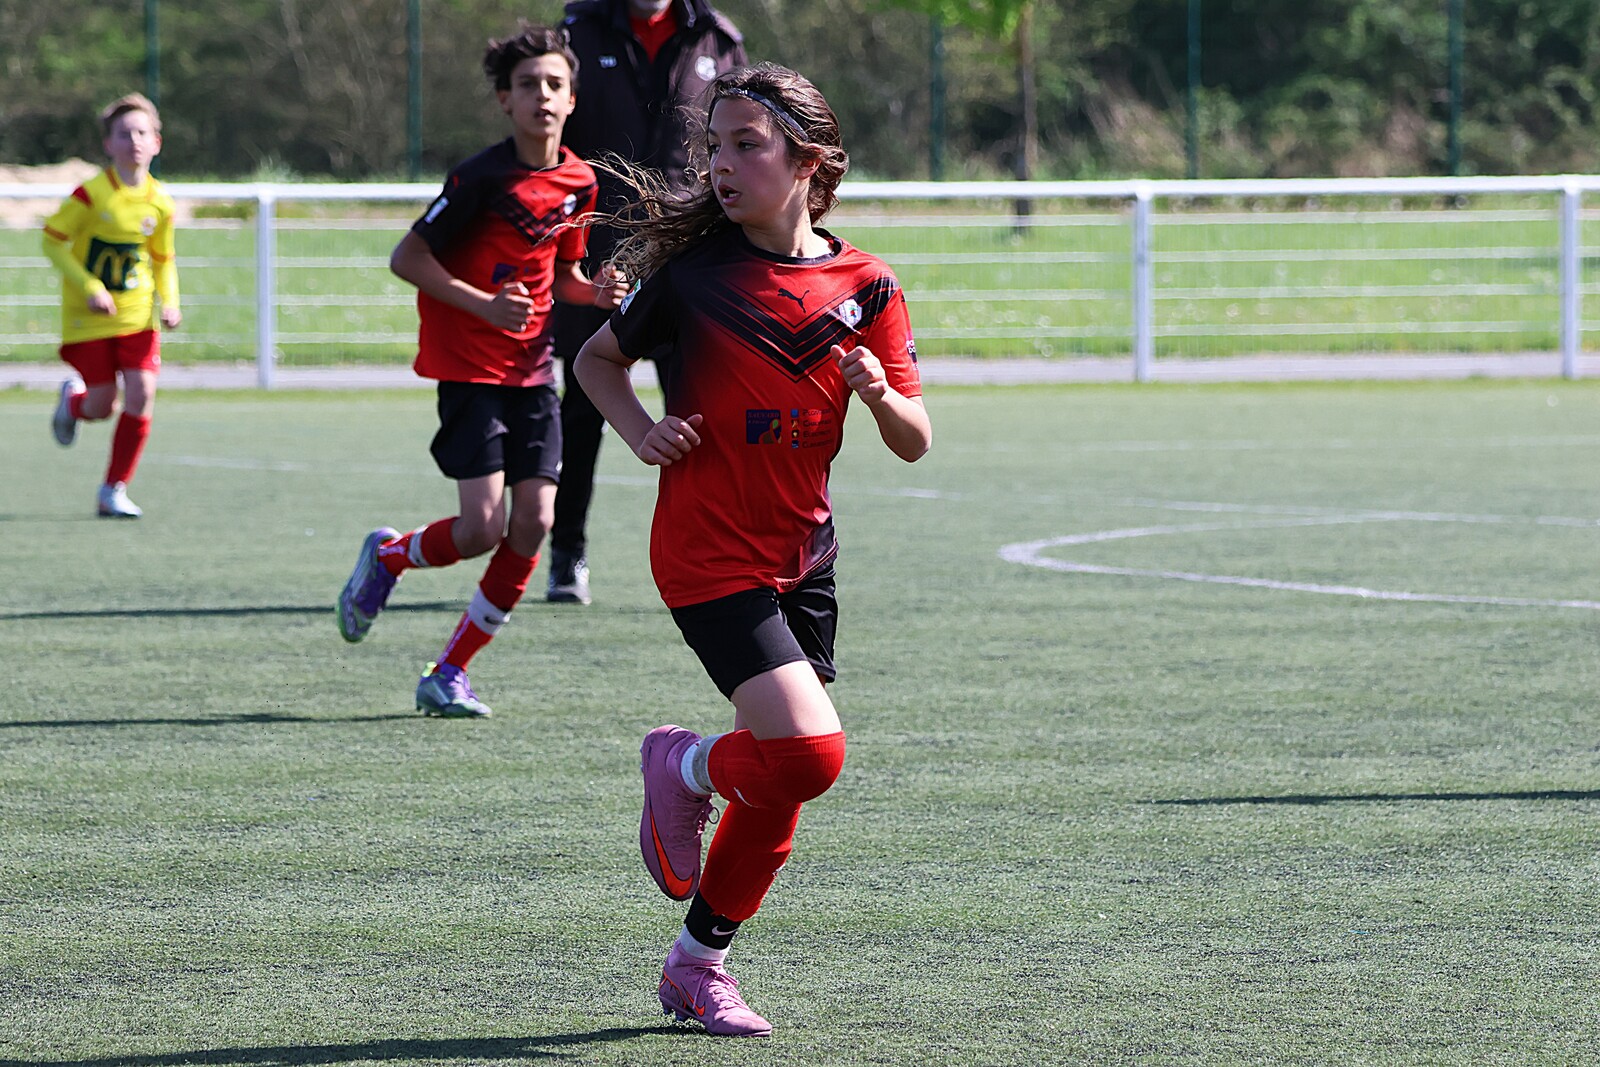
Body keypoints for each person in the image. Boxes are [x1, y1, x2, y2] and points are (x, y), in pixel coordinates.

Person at [575, 63, 932, 1037]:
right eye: (714, 147)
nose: (721, 165)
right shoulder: (695, 280)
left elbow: (915, 439)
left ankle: (697, 965)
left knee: (779, 780)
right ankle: (685, 764)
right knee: (809, 752)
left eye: (746, 145)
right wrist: (642, 430)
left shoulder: (867, 285)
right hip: (707, 551)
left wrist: (878, 395)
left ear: (808, 163)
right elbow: (597, 361)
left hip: (803, 555)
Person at [336, 22, 628, 718]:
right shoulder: (479, 178)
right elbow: (407, 258)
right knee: (480, 530)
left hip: (534, 375)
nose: (542, 96)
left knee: (534, 521)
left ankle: (450, 671)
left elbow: (564, 277)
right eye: (527, 85)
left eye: (555, 84)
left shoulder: (581, 181)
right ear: (505, 100)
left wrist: (595, 292)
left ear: (573, 99)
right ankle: (391, 556)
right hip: (471, 372)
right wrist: (484, 305)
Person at [547, 0, 748, 605]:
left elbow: (741, 144)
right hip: (598, 258)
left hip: (690, 259)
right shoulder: (578, 33)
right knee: (583, 409)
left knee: (701, 407)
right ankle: (566, 553)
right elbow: (554, 151)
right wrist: (568, 252)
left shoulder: (719, 39)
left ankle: (717, 551)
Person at [43, 92, 181, 519]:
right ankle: (73, 404)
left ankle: (113, 490)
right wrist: (90, 286)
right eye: (124, 134)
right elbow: (52, 242)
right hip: (90, 318)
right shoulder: (91, 195)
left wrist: (171, 302)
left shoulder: (161, 201)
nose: (133, 141)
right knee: (103, 405)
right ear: (108, 144)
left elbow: (163, 259)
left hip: (138, 317)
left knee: (142, 393)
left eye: (141, 132)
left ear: (156, 142)